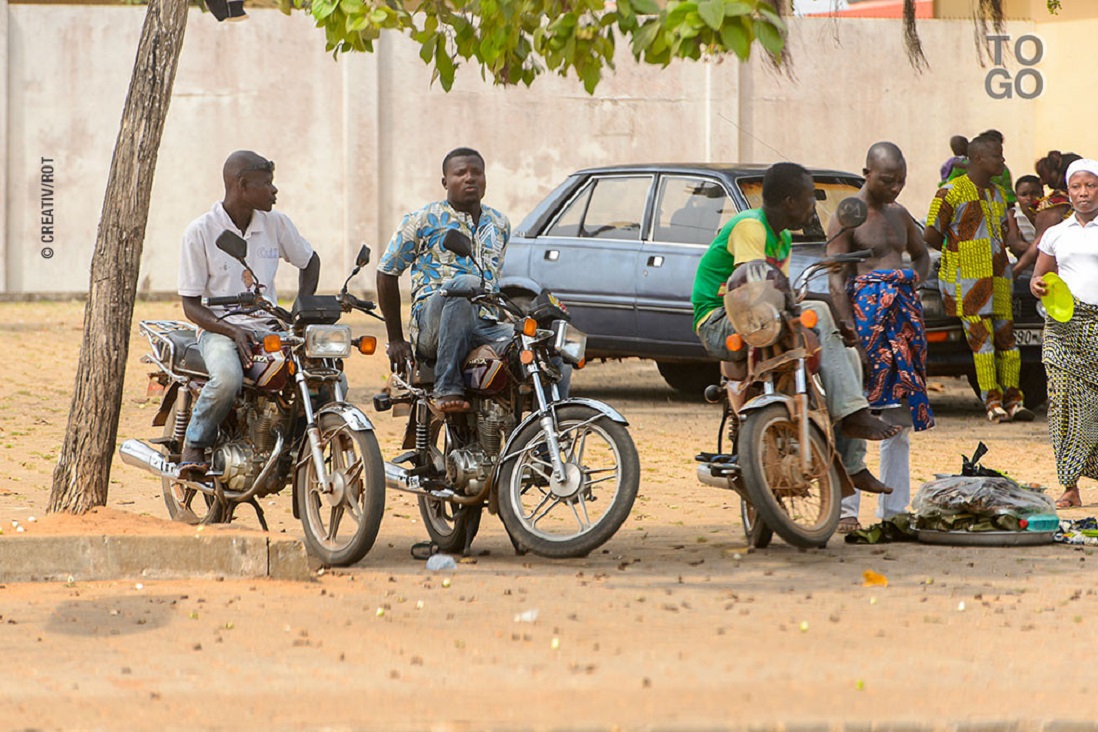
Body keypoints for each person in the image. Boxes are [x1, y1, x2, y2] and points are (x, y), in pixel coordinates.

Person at [690, 161, 900, 497]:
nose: (813, 206)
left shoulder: (783, 238)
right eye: (808, 198)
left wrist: (831, 321)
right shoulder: (750, 227)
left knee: (846, 350)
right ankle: (854, 417)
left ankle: (851, 458)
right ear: (789, 201)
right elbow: (751, 287)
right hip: (720, 320)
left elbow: (780, 295)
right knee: (819, 310)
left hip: (761, 318)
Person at [177, 151, 320, 475]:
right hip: (219, 328)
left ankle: (301, 443)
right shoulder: (200, 231)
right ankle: (194, 445)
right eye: (267, 183)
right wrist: (230, 331)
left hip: (269, 324)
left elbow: (310, 260)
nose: (274, 190)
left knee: (321, 371)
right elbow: (190, 304)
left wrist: (304, 309)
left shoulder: (276, 223)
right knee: (227, 378)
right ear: (242, 185)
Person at [828, 143, 934, 533]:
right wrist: (848, 325)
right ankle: (846, 510)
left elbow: (921, 254)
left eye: (901, 181)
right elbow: (836, 274)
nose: (895, 188)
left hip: (902, 322)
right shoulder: (848, 214)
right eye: (888, 180)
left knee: (898, 420)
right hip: (864, 324)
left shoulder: (901, 214)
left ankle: (894, 511)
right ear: (867, 172)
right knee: (856, 413)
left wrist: (912, 283)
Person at [377, 147, 527, 412]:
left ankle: (544, 433)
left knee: (543, 340)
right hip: (433, 327)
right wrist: (396, 340)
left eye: (476, 172)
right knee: (465, 284)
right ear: (445, 182)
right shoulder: (423, 219)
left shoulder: (500, 223)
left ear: (485, 179)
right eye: (460, 173)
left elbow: (493, 277)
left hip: (483, 325)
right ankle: (448, 386)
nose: (470, 178)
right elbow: (386, 274)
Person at [925, 132, 1031, 423]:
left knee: (1007, 341)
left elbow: (1003, 234)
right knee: (981, 342)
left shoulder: (998, 194)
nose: (1003, 160)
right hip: (967, 279)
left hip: (998, 277)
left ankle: (1014, 400)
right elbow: (932, 235)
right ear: (979, 159)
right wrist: (961, 252)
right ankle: (992, 402)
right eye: (997, 155)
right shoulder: (950, 192)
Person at [1031, 158, 1098, 510]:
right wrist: (1037, 285)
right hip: (1064, 330)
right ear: (1067, 191)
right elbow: (1038, 278)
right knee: (1064, 407)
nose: (1083, 193)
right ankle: (1069, 485)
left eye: (1090, 186)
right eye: (1076, 187)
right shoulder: (1057, 233)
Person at [1014, 151, 1083, 275]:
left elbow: (1041, 241)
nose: (1042, 181)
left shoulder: (1056, 203)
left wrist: (1016, 270)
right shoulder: (1085, 201)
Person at [1012, 174, 1044, 248]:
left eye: (1034, 194)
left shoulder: (1049, 214)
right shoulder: (1014, 215)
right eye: (1023, 195)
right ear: (1016, 196)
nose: (1029, 198)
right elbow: (1015, 245)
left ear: (1042, 193)